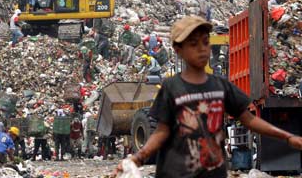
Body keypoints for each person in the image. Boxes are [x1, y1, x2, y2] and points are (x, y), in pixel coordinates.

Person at [119, 15, 302, 177]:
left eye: (206, 42)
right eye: (193, 44)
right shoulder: (171, 87)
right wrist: (137, 158)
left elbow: (249, 120)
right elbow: (161, 132)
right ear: (178, 49)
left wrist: (287, 137)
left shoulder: (220, 86)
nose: (202, 49)